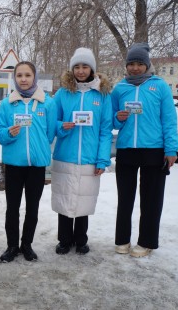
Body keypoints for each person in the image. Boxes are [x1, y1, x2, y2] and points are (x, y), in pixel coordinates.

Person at [112, 43, 178, 258]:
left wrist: (171, 149)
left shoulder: (159, 86)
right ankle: (122, 239)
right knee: (125, 198)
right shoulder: (120, 88)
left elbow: (169, 120)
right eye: (131, 63)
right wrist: (118, 118)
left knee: (151, 200)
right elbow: (111, 120)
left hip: (154, 150)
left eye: (140, 63)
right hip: (126, 150)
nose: (135, 68)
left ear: (147, 65)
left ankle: (146, 242)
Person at [50, 48, 113, 255]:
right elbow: (53, 122)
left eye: (85, 66)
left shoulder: (102, 96)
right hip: (65, 154)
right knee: (65, 199)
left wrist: (102, 159)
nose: (80, 70)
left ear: (92, 68)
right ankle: (64, 240)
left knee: (84, 200)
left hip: (89, 157)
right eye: (76, 66)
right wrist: (62, 126)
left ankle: (81, 239)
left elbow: (105, 130)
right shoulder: (62, 94)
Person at [0, 61, 57, 262]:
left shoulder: (47, 102)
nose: (23, 79)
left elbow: (50, 133)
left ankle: (27, 245)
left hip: (37, 166)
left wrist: (38, 148)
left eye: (27, 75)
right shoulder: (8, 103)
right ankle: (12, 246)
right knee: (12, 208)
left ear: (34, 77)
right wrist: (9, 133)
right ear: (15, 79)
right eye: (19, 75)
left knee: (33, 208)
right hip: (14, 164)